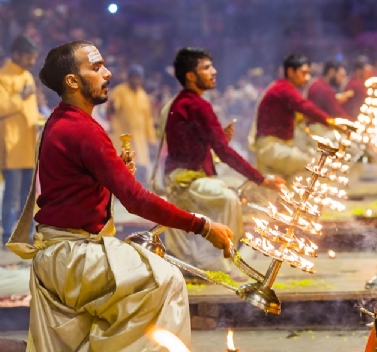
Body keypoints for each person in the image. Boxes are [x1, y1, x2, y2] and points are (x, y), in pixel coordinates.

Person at [6, 40, 233, 351]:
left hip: (60, 255)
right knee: (166, 280)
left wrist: (113, 172)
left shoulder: (61, 121)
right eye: (96, 67)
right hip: (73, 257)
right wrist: (203, 226)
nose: (108, 73)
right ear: (72, 81)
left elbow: (73, 187)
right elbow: (136, 199)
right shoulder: (82, 129)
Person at [159, 47, 284, 274]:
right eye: (207, 68)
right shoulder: (197, 105)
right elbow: (224, 153)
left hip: (186, 177)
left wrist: (219, 140)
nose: (214, 71)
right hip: (185, 182)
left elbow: (196, 147)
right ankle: (216, 262)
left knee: (230, 192)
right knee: (229, 199)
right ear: (190, 76)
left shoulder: (184, 103)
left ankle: (214, 258)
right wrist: (262, 179)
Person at [249, 53, 340, 180]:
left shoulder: (283, 88)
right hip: (272, 149)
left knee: (293, 181)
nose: (307, 77)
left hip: (276, 148)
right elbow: (306, 108)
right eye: (303, 73)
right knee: (313, 166)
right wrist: (332, 122)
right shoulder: (284, 89)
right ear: (291, 72)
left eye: (308, 73)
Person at [0, 34, 40, 246]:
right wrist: (21, 97)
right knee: (13, 194)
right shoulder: (3, 77)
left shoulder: (28, 77)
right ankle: (7, 233)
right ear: (16, 54)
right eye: (28, 57)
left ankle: (26, 232)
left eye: (34, 57)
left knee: (28, 195)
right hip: (12, 145)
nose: (32, 62)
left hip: (29, 144)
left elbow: (30, 111)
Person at [109, 64, 156, 187]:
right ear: (128, 78)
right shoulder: (119, 91)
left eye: (138, 78)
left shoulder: (143, 96)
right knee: (122, 172)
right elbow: (113, 109)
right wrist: (112, 106)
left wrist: (151, 140)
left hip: (140, 143)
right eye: (134, 77)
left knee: (141, 174)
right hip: (123, 141)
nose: (136, 80)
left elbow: (148, 120)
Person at [304, 60, 351, 141]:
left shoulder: (317, 83)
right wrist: (352, 124)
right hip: (319, 131)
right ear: (331, 72)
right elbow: (336, 111)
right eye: (339, 75)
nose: (341, 79)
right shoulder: (323, 88)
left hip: (313, 128)